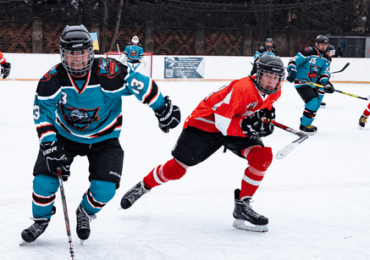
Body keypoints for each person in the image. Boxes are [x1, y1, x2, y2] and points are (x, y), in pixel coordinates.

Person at [21, 24, 181, 243]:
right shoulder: (52, 79)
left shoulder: (108, 72)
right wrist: (49, 144)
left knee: (105, 189)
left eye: (82, 54)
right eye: (71, 55)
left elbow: (139, 83)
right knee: (43, 182)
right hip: (65, 137)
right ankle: (40, 220)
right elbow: (43, 113)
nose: (77, 61)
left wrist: (162, 107)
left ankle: (84, 212)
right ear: (62, 54)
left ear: (91, 53)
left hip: (105, 139)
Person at [120, 54, 286, 233]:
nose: (271, 82)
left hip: (234, 123)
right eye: (268, 76)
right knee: (177, 169)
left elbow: (263, 107)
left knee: (262, 156)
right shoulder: (243, 88)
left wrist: (266, 118)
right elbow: (222, 123)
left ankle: (242, 206)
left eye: (276, 77)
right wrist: (249, 126)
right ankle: (144, 186)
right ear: (258, 74)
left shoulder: (275, 91)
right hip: (204, 124)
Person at [286, 35, 334, 135]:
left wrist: (326, 83)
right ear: (316, 44)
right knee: (312, 102)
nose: (323, 47)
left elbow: (324, 74)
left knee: (316, 103)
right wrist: (292, 70)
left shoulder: (327, 58)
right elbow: (293, 61)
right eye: (321, 45)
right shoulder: (308, 51)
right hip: (302, 82)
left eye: (325, 45)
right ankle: (304, 125)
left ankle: (305, 120)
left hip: (313, 84)